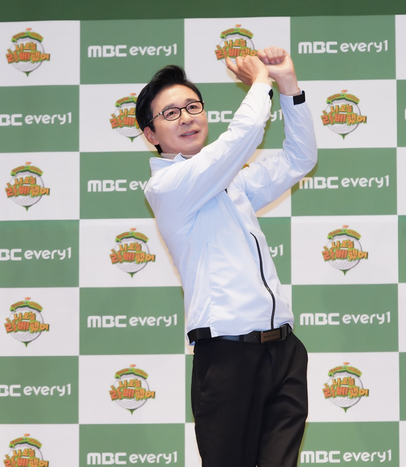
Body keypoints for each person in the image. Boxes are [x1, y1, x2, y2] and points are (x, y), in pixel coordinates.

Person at [135, 46, 317, 467]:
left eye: (193, 107)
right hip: (227, 357)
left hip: (283, 352)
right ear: (150, 134)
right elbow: (243, 135)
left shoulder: (232, 182)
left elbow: (300, 159)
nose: (187, 118)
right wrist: (260, 82)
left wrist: (289, 86)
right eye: (171, 113)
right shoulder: (169, 187)